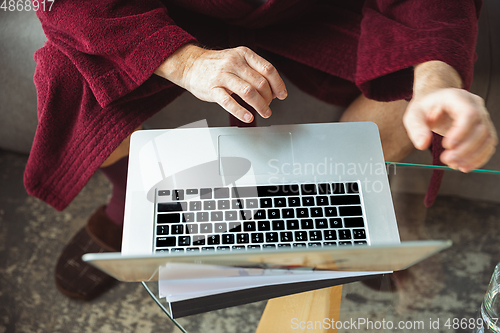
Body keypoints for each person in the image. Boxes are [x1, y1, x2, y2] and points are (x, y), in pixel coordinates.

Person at [26, 0, 497, 300]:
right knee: (69, 76)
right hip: (167, 9)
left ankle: (330, 209)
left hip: (321, 11)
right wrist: (186, 61)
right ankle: (130, 199)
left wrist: (436, 79)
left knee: (411, 91)